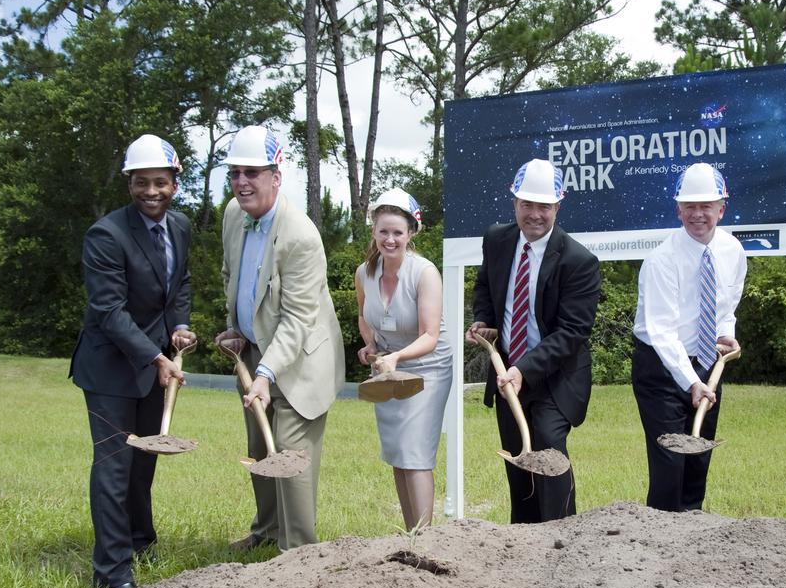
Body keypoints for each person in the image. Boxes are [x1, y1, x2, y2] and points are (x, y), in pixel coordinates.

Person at [70, 134, 195, 588]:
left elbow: (180, 283)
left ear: (174, 184)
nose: (151, 191)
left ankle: (140, 541)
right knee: (115, 465)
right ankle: (112, 571)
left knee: (144, 464)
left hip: (153, 365)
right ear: (129, 183)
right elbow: (109, 311)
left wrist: (179, 327)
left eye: (160, 182)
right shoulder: (106, 235)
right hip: (110, 370)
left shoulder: (180, 226)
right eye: (141, 182)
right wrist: (157, 356)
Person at [214, 125, 346, 552]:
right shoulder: (234, 215)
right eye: (235, 173)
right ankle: (267, 532)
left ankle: (300, 553)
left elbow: (298, 319)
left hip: (301, 360)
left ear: (276, 175)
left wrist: (265, 375)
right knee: (260, 449)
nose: (241, 182)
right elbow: (231, 276)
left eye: (252, 172)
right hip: (253, 353)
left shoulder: (302, 237)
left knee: (291, 459)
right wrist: (235, 328)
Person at [465, 158, 601, 523]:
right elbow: (485, 285)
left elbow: (573, 332)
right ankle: (522, 539)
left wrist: (524, 368)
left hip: (557, 377)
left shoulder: (579, 261)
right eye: (527, 204)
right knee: (516, 458)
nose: (535, 214)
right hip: (508, 371)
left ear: (559, 204)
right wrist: (485, 320)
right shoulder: (497, 239)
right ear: (515, 203)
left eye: (544, 206)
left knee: (548, 445)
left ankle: (561, 536)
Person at [633, 163, 746, 512]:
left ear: (721, 208)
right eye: (690, 207)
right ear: (678, 209)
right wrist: (691, 382)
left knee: (699, 460)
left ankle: (693, 541)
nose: (698, 214)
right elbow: (662, 331)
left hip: (707, 364)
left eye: (706, 206)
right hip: (661, 369)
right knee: (671, 464)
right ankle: (661, 542)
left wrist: (727, 334)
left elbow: (727, 303)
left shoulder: (733, 251)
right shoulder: (661, 261)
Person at [355, 188, 453, 531]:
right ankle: (410, 533)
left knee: (415, 453)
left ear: (412, 232)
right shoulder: (364, 272)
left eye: (398, 232)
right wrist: (370, 346)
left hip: (428, 367)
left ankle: (426, 539)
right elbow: (364, 317)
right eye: (384, 231)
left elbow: (430, 334)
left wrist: (396, 356)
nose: (390, 239)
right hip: (387, 366)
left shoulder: (424, 273)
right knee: (398, 453)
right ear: (374, 231)